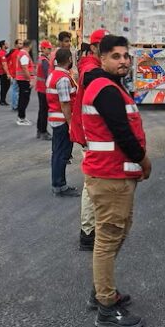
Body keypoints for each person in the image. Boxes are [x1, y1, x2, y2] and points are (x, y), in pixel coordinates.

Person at [82, 35, 150, 326]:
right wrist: (144, 161)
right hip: (111, 175)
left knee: (114, 236)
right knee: (109, 240)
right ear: (102, 58)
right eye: (116, 56)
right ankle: (106, 309)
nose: (123, 61)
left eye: (126, 56)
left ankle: (101, 291)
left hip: (113, 174)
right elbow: (123, 133)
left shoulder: (105, 85)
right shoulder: (106, 90)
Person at [72, 29, 108, 251]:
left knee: (96, 181)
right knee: (91, 183)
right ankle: (87, 232)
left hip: (92, 133)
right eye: (103, 44)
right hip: (88, 135)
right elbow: (89, 75)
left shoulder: (96, 64)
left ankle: (93, 228)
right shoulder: (90, 65)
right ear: (94, 47)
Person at [47, 47, 78, 196]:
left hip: (55, 119)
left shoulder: (54, 75)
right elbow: (65, 103)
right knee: (62, 154)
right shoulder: (63, 79)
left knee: (57, 153)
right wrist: (71, 123)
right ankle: (59, 185)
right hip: (62, 121)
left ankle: (58, 183)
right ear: (69, 60)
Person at [35, 40, 54, 140]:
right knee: (44, 111)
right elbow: (48, 76)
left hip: (40, 88)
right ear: (42, 49)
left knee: (42, 110)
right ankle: (43, 132)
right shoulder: (44, 61)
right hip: (44, 89)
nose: (50, 51)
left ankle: (39, 130)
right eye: (48, 49)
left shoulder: (41, 59)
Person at [14, 39, 34, 126]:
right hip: (24, 80)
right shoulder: (24, 54)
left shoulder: (21, 53)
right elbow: (25, 68)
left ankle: (21, 117)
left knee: (23, 98)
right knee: (24, 99)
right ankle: (21, 118)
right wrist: (30, 80)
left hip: (21, 79)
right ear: (29, 46)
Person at [8, 39, 22, 110]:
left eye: (21, 43)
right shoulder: (18, 53)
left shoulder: (13, 53)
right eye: (19, 43)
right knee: (16, 90)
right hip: (17, 74)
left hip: (14, 74)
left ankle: (14, 105)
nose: (21, 45)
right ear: (16, 45)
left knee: (14, 90)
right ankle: (15, 105)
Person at [0, 40, 10, 106]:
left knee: (6, 86)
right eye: (6, 43)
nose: (8, 44)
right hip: (3, 72)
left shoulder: (4, 52)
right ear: (3, 45)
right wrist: (8, 74)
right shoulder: (2, 53)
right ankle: (2, 100)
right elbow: (4, 64)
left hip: (3, 72)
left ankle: (3, 100)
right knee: (4, 86)